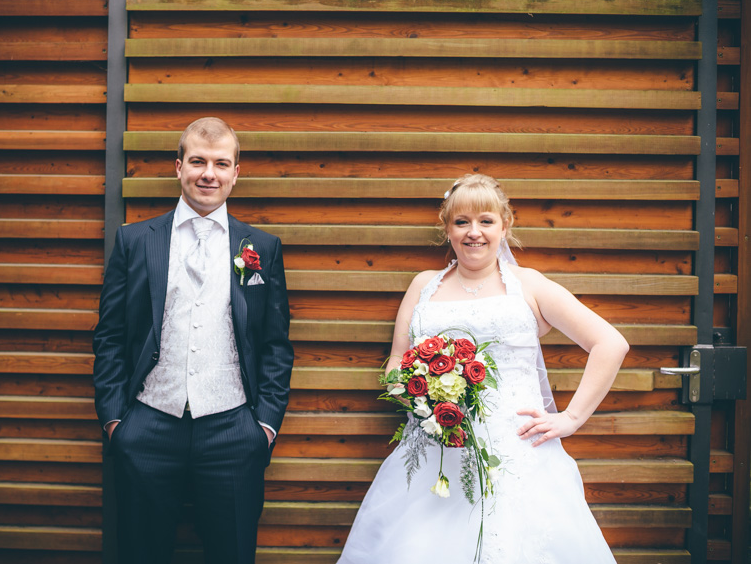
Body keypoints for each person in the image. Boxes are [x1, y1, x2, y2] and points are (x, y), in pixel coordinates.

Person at [338, 174, 629, 563]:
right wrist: (416, 391)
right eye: (461, 222)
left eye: (486, 221)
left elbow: (610, 343)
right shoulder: (423, 285)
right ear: (447, 229)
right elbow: (397, 360)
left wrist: (572, 417)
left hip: (516, 455)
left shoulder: (530, 285)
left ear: (504, 226)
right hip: (434, 452)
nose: (474, 232)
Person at [93, 117, 294, 564]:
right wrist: (115, 422)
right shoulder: (134, 241)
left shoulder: (262, 246)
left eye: (221, 163)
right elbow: (109, 336)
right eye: (198, 161)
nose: (209, 173)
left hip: (233, 429)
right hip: (147, 424)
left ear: (236, 173)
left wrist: (263, 427)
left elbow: (275, 345)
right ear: (178, 166)